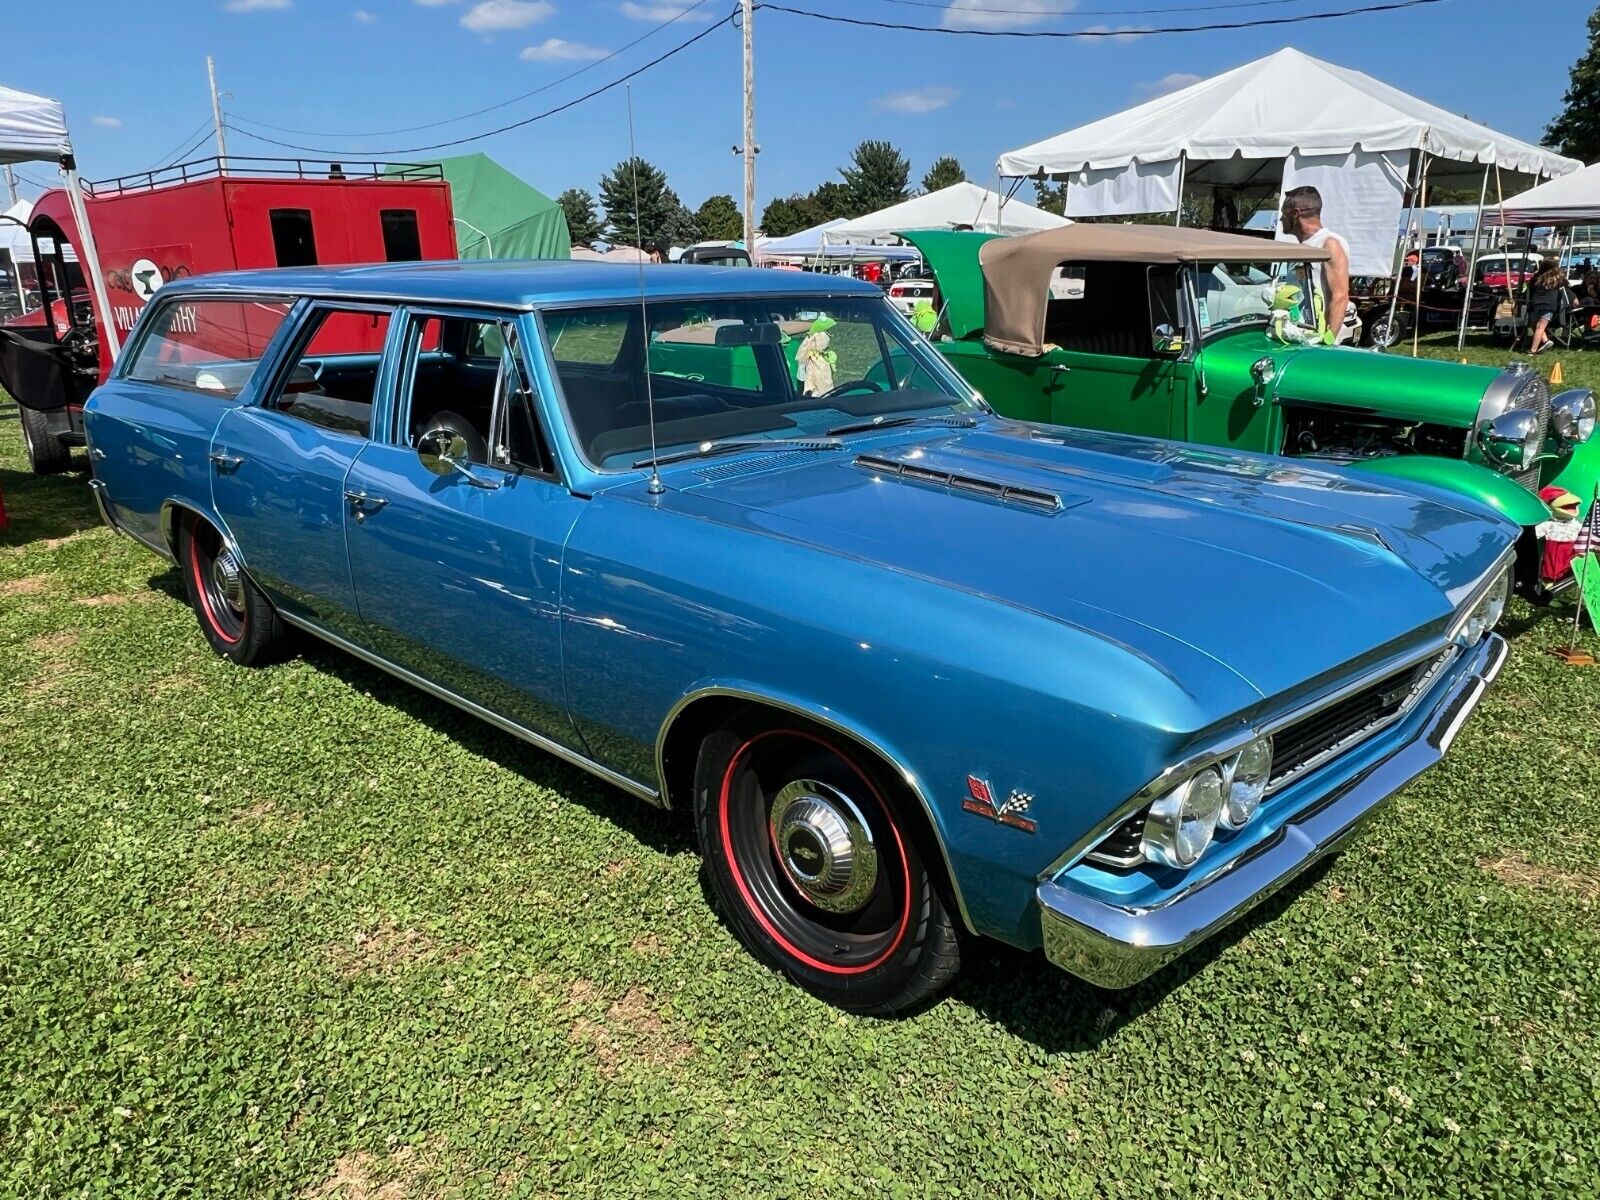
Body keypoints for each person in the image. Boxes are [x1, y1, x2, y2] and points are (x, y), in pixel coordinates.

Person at [1279, 185, 1360, 345]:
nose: (1281, 219)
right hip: (1297, 336)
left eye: (1284, 213)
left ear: (1296, 214)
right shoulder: (1302, 246)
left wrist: (1327, 342)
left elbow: (1340, 297)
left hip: (1316, 341)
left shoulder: (1329, 243)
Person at [1526, 257, 1568, 354]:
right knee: (1540, 327)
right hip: (1549, 305)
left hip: (1535, 304)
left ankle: (1545, 341)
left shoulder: (1537, 276)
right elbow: (1567, 286)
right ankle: (1533, 350)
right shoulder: (1559, 277)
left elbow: (1530, 286)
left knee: (1534, 325)